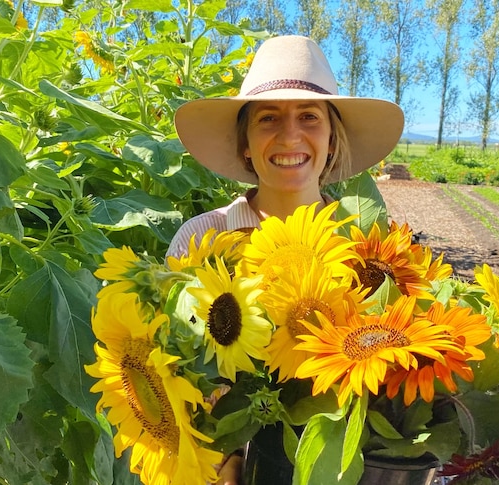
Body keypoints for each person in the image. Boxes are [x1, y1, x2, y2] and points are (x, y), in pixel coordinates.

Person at [168, 35, 405, 484]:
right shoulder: (201, 238)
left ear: (332, 140)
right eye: (268, 118)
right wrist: (226, 457)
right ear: (245, 143)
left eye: (310, 117)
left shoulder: (367, 251)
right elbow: (180, 369)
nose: (290, 135)